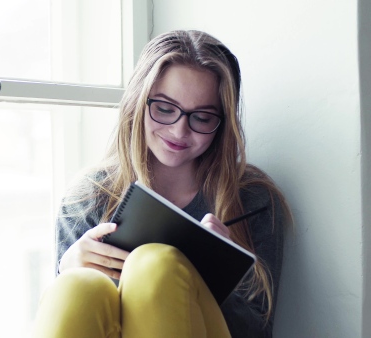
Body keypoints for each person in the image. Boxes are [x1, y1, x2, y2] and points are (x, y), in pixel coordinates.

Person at [32, 30, 292, 338]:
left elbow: (257, 332)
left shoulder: (252, 197)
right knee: (77, 285)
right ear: (138, 103)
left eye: (203, 117)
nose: (180, 131)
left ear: (223, 123)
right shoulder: (88, 197)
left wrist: (213, 273)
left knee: (155, 264)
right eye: (165, 109)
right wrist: (67, 268)